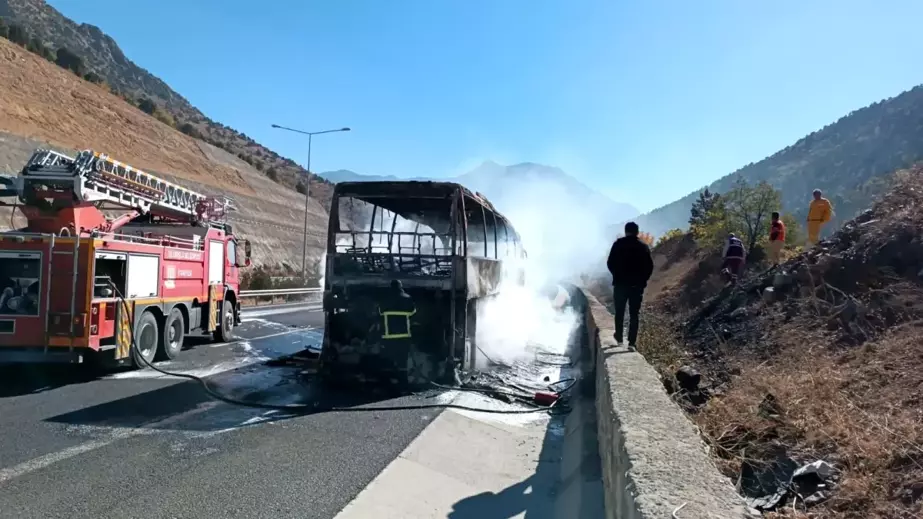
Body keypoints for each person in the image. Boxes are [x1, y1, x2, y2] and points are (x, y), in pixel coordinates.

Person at [606, 222, 654, 350]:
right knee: (634, 314)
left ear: (626, 231)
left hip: (620, 285)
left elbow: (610, 263)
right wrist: (643, 280)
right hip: (636, 286)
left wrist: (616, 275)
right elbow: (649, 267)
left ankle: (619, 338)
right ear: (637, 232)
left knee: (619, 312)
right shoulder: (643, 246)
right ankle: (632, 343)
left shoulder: (618, 244)